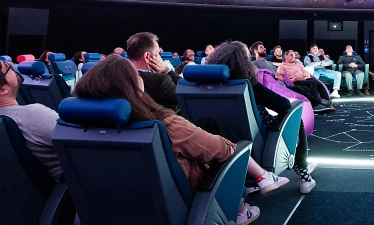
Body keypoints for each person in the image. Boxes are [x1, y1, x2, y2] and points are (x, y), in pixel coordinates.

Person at [73, 55, 286, 223]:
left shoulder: (73, 132)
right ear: (132, 87)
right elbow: (223, 150)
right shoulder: (166, 126)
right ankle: (240, 209)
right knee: (233, 152)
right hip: (179, 206)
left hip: (112, 211)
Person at [206, 42, 317, 193]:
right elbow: (283, 105)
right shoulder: (248, 86)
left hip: (216, 141)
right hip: (257, 138)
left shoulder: (194, 89)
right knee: (296, 118)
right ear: (243, 63)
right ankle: (304, 176)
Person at [0, 60, 62, 181]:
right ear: (2, 90)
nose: (12, 65)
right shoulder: (34, 114)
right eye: (7, 67)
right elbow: (80, 141)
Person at [126, 32, 181, 111]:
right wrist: (166, 70)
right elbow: (188, 95)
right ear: (147, 57)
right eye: (157, 53)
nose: (160, 58)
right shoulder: (161, 81)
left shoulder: (116, 76)